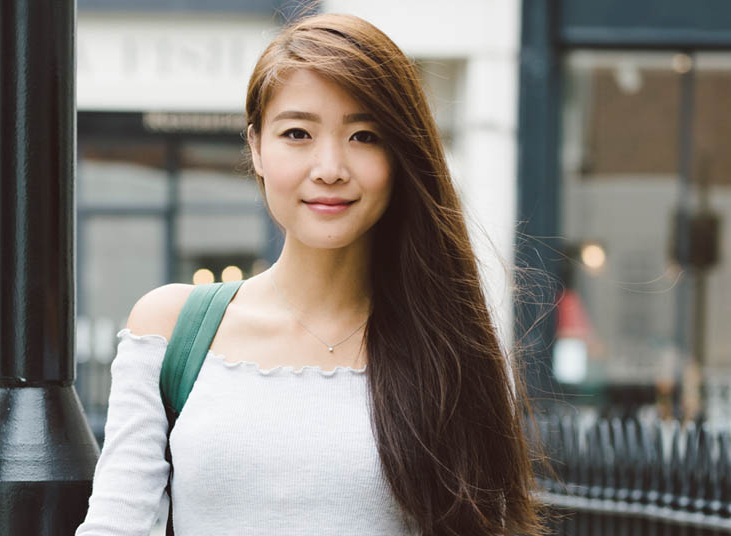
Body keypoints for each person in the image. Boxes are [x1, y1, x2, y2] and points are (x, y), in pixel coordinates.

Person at [76, 12, 543, 536]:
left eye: (364, 136)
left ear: (401, 155)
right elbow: (115, 525)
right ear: (255, 147)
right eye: (297, 133)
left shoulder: (446, 349)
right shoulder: (171, 326)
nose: (329, 167)